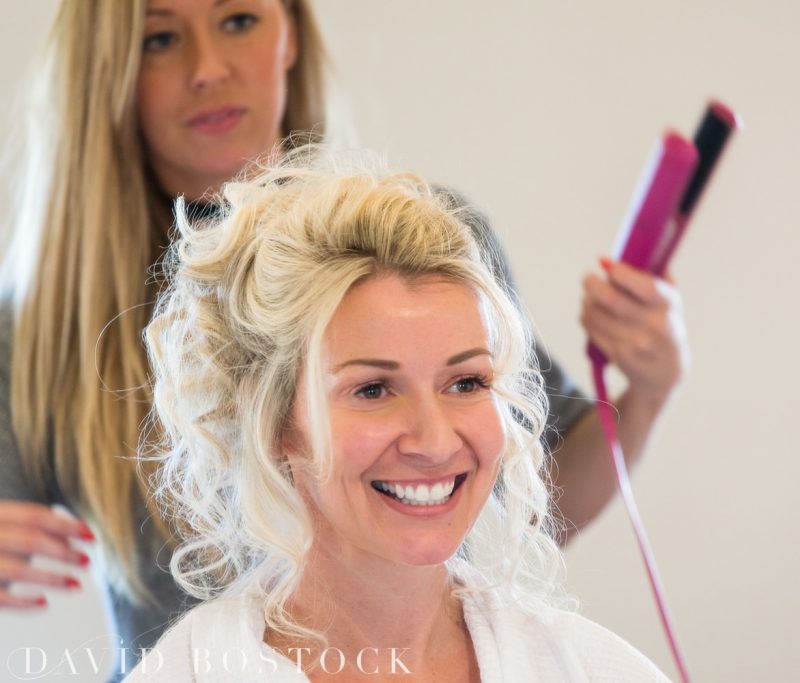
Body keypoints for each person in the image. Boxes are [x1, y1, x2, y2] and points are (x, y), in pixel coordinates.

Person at [0, 0, 686, 675]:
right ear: (268, 422)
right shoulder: (42, 322)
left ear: (290, 34)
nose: (207, 68)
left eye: (237, 19)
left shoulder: (425, 250)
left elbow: (530, 490)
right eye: (159, 39)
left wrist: (646, 391)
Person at [126, 150, 671, 682]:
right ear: (272, 423)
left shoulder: (594, 669)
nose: (434, 442)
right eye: (373, 389)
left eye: (466, 383)